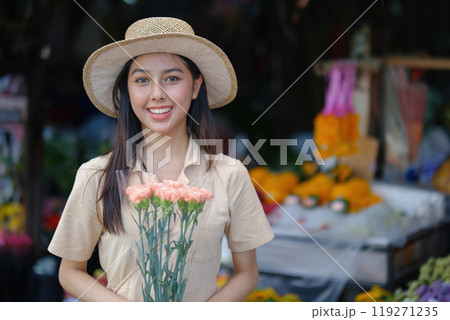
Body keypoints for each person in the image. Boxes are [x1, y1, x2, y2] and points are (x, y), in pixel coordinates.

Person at [48, 17, 274, 302]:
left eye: (172, 78)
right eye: (142, 80)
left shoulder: (230, 174)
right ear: (127, 93)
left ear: (195, 87)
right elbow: (70, 272)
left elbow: (247, 273)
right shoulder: (96, 175)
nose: (157, 94)